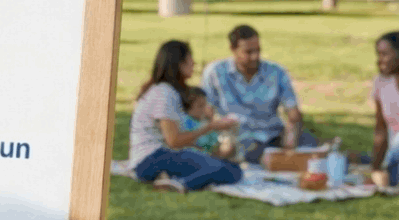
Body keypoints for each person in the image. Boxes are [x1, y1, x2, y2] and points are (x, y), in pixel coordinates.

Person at [130, 40, 243, 192]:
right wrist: (210, 127)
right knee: (232, 171)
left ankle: (173, 179)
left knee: (225, 166)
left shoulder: (163, 90)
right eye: (190, 60)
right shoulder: (164, 93)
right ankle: (181, 184)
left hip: (153, 159)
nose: (194, 64)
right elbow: (174, 141)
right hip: (152, 160)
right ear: (179, 65)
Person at [200, 24, 310, 164]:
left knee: (310, 149)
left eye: (258, 50)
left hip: (275, 134)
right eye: (248, 52)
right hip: (240, 136)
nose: (255, 56)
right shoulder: (215, 72)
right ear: (233, 50)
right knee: (250, 152)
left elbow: (293, 113)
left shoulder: (276, 72)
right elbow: (206, 113)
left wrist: (290, 138)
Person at [371, 30, 399, 186]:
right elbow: (380, 130)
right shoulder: (381, 83)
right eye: (378, 54)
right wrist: (374, 169)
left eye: (385, 54)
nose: (379, 60)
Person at [183, 86, 238, 161]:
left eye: (205, 104)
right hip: (199, 159)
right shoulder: (186, 122)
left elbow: (215, 144)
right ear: (188, 108)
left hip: (213, 156)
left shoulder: (205, 120)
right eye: (200, 106)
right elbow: (202, 145)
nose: (204, 109)